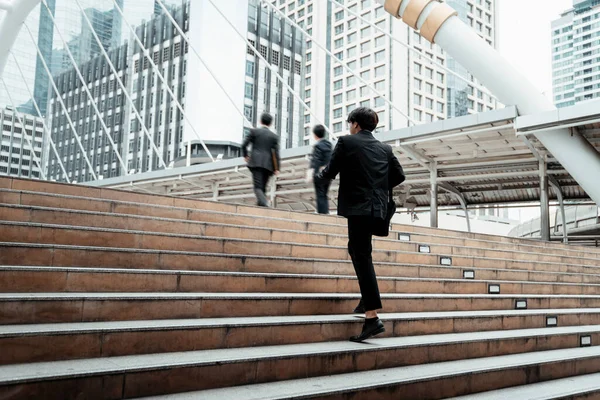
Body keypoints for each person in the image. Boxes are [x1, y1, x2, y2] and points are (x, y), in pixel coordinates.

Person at [318, 107, 405, 342]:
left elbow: (330, 171)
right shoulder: (384, 149)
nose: (349, 126)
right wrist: (375, 182)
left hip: (358, 207)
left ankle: (372, 316)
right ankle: (366, 301)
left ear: (355, 124)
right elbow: (399, 175)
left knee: (361, 254)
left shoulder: (346, 142)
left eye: (350, 122)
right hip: (377, 208)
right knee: (358, 250)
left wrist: (319, 176)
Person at [242, 113, 281, 207]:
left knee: (257, 188)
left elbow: (243, 145)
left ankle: (265, 203)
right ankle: (261, 207)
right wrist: (277, 168)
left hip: (256, 162)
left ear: (260, 121)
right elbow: (276, 154)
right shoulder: (274, 137)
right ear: (270, 124)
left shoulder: (254, 132)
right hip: (268, 165)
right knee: (263, 188)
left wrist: (246, 155)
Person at [308, 125, 333, 214]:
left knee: (320, 195)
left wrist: (312, 173)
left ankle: (323, 215)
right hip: (328, 174)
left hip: (320, 174)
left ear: (315, 135)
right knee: (324, 195)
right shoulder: (329, 145)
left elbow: (316, 161)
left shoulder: (318, 146)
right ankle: (325, 213)